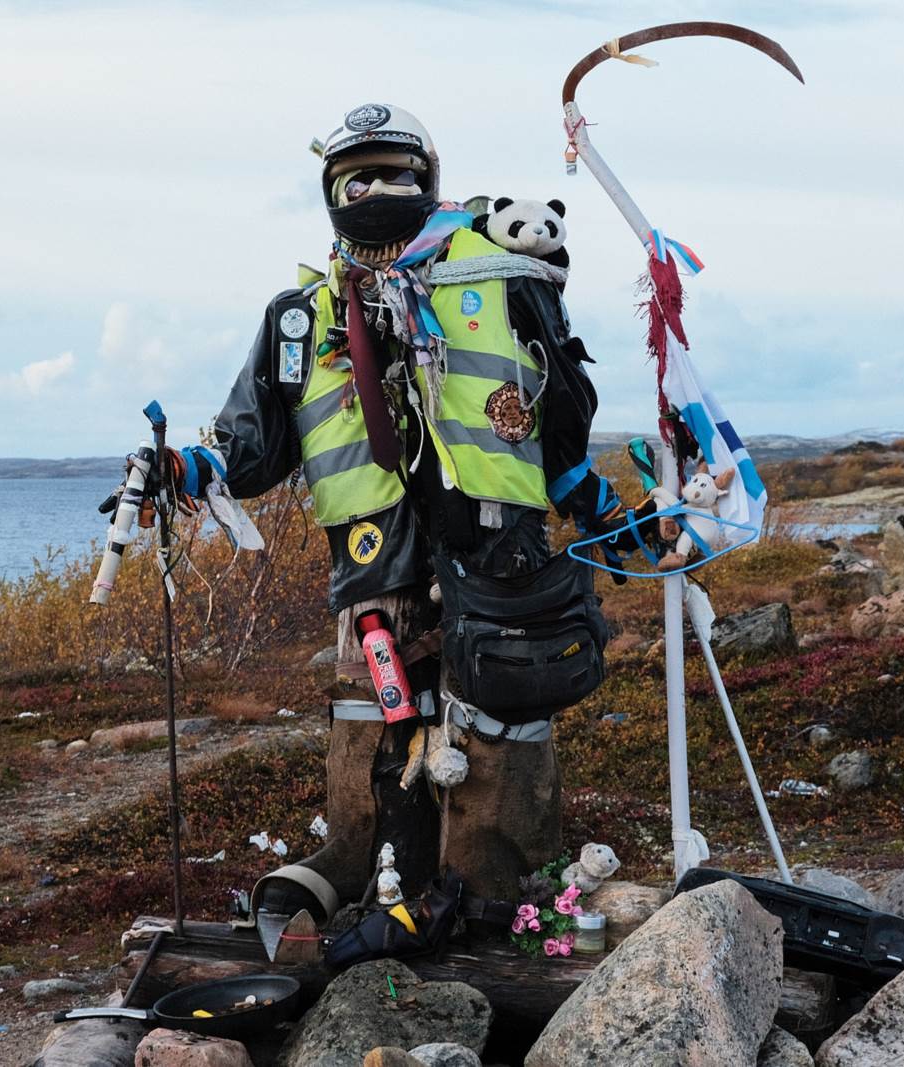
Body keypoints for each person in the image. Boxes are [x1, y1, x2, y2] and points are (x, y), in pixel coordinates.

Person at [181, 104, 653, 932]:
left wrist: (605, 516)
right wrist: (189, 469)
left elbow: (562, 424)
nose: (373, 190)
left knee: (500, 726)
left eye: (392, 173)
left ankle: (499, 899)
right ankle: (372, 882)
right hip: (375, 567)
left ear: (428, 176)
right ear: (329, 189)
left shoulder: (507, 276)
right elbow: (250, 448)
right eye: (354, 177)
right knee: (376, 728)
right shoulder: (303, 316)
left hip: (497, 550)